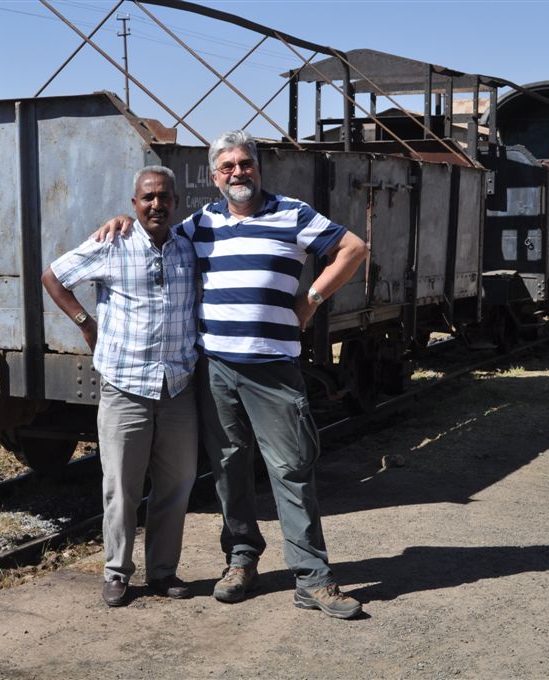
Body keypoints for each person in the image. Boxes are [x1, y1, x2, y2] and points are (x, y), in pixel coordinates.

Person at [97, 130, 369, 619]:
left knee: (291, 469)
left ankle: (313, 578)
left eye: (245, 163)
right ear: (214, 175)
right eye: (227, 167)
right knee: (229, 470)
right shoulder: (199, 224)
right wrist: (121, 220)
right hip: (216, 369)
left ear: (257, 167)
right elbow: (151, 233)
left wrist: (309, 302)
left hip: (274, 369)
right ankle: (241, 560)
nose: (237, 173)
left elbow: (352, 248)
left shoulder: (292, 213)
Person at [42, 166, 199, 607]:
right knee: (121, 489)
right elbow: (53, 276)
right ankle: (116, 572)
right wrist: (86, 325)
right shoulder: (112, 243)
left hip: (177, 387)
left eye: (164, 197)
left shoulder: (188, 247)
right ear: (133, 204)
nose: (156, 204)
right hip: (125, 387)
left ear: (175, 203)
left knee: (177, 485)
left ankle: (164, 572)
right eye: (147, 197)